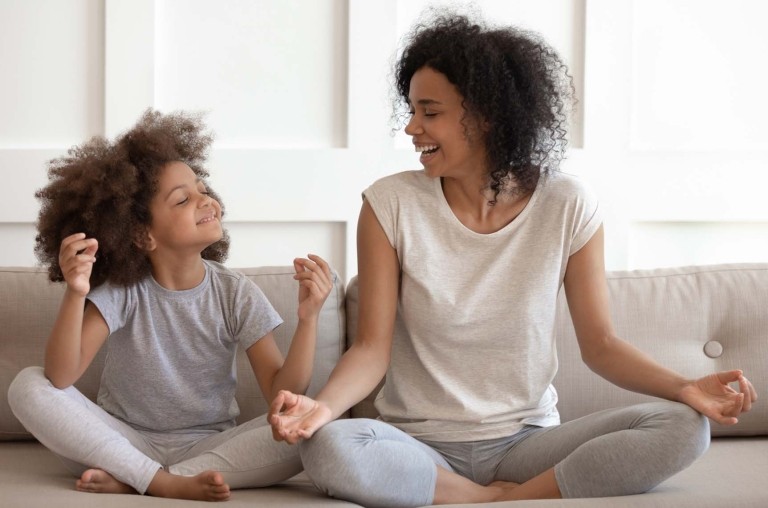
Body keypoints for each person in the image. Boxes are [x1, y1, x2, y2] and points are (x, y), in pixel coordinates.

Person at [268, 10, 757, 507]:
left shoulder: (568, 205)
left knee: (682, 425)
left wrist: (685, 387)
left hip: (529, 442)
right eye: (411, 110)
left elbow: (602, 345)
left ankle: (497, 494)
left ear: (487, 115)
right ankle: (496, 497)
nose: (412, 128)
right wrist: (321, 409)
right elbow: (371, 349)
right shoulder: (389, 205)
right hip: (418, 445)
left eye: (430, 112)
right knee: (328, 444)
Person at [7, 109, 333, 502]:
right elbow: (60, 377)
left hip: (208, 448)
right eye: (182, 199)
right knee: (28, 385)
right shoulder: (123, 291)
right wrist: (77, 291)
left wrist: (309, 318)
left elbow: (282, 395)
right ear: (143, 235)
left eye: (201, 188)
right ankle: (162, 481)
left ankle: (140, 480)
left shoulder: (235, 292)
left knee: (311, 424)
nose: (204, 199)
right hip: (119, 441)